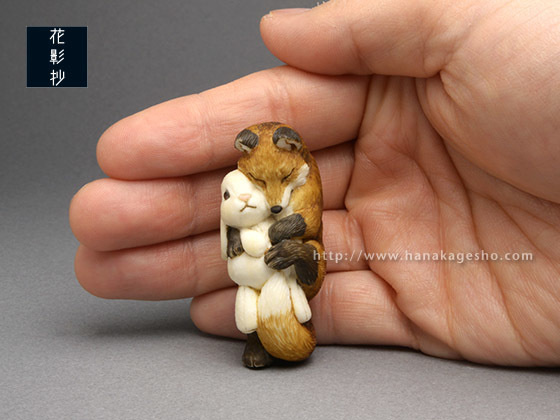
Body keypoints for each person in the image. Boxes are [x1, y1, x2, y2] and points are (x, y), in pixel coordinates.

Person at [69, 0, 560, 366]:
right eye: (260, 179)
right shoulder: (237, 180)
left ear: (296, 151)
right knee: (249, 295)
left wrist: (289, 231)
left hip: (297, 262)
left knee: (303, 251)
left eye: (282, 177)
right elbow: (230, 225)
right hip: (254, 269)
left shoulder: (306, 175)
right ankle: (262, 336)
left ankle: (285, 326)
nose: (272, 193)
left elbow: (304, 218)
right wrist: (237, 236)